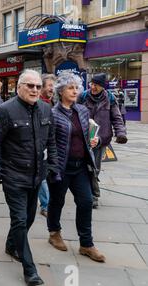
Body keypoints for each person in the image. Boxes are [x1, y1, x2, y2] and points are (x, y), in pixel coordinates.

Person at [0, 70, 58, 286]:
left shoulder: (46, 109)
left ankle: (11, 244)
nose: (35, 89)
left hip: (36, 176)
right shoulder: (6, 110)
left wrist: (52, 166)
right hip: (13, 176)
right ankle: (29, 269)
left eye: (37, 86)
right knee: (20, 220)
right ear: (19, 87)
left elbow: (51, 141)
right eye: (30, 86)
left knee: (29, 218)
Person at [47, 72, 106, 263]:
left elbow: (85, 135)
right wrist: (53, 166)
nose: (75, 91)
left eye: (76, 87)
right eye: (70, 88)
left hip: (81, 165)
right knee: (57, 201)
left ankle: (86, 244)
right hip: (61, 166)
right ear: (61, 90)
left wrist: (93, 140)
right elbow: (51, 143)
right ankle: (54, 233)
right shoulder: (53, 114)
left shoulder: (82, 110)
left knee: (86, 202)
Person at [78, 73, 128, 209]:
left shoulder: (110, 98)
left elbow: (117, 118)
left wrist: (121, 133)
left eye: (96, 85)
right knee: (84, 167)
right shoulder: (82, 97)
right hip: (83, 137)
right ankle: (92, 193)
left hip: (100, 139)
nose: (92, 87)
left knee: (95, 167)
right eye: (91, 84)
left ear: (102, 86)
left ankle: (93, 195)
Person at [38, 74, 57, 218]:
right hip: (39, 147)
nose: (52, 89)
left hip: (52, 145)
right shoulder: (37, 103)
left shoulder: (53, 102)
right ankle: (46, 205)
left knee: (47, 176)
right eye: (50, 86)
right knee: (42, 177)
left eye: (53, 86)